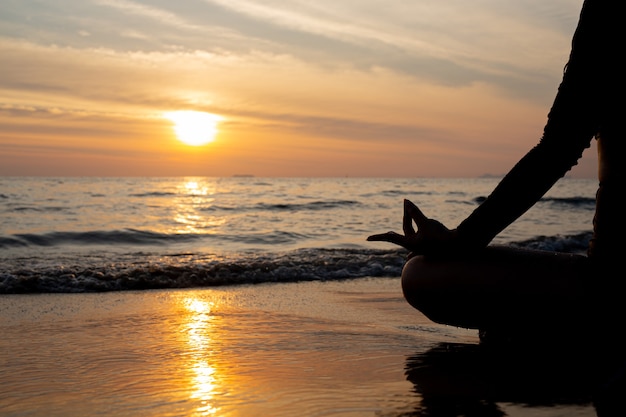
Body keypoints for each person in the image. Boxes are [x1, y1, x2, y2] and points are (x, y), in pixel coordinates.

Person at [367, 0, 624, 342]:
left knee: (419, 273)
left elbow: (558, 150)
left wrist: (461, 240)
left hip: (616, 287)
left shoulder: (607, 12)